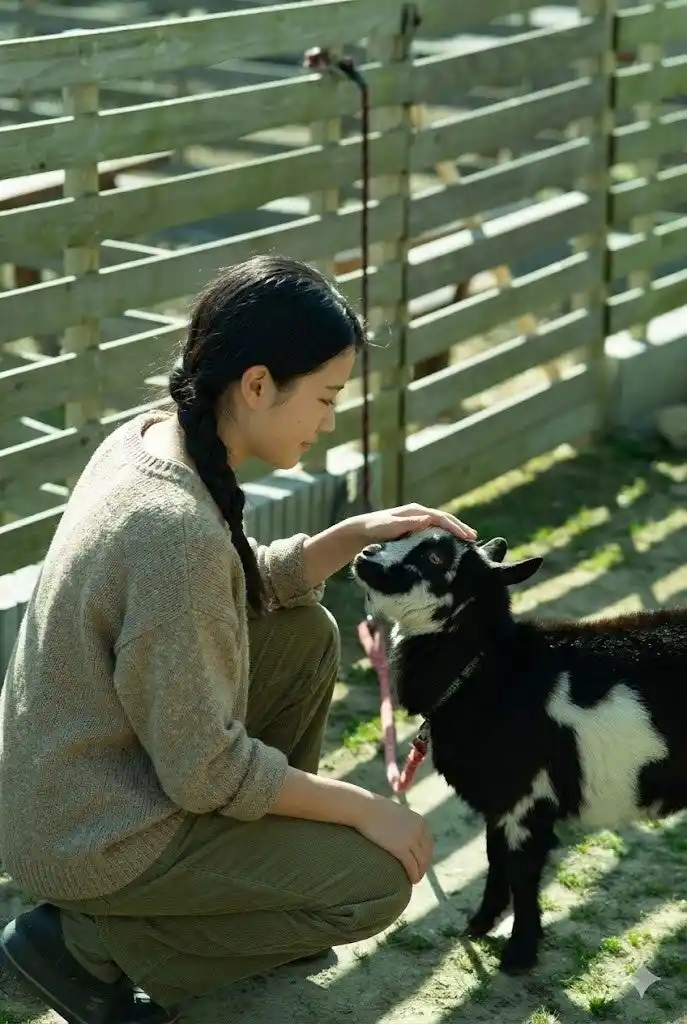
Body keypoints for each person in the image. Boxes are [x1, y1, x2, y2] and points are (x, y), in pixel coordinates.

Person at [0, 255, 476, 1023]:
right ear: (257, 385)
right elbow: (206, 771)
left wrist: (350, 535)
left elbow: (228, 590)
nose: (328, 421)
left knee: (304, 634)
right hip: (90, 832)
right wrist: (362, 808)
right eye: (325, 398)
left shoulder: (150, 439)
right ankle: (84, 946)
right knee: (373, 883)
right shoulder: (174, 531)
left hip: (71, 782)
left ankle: (228, 898)